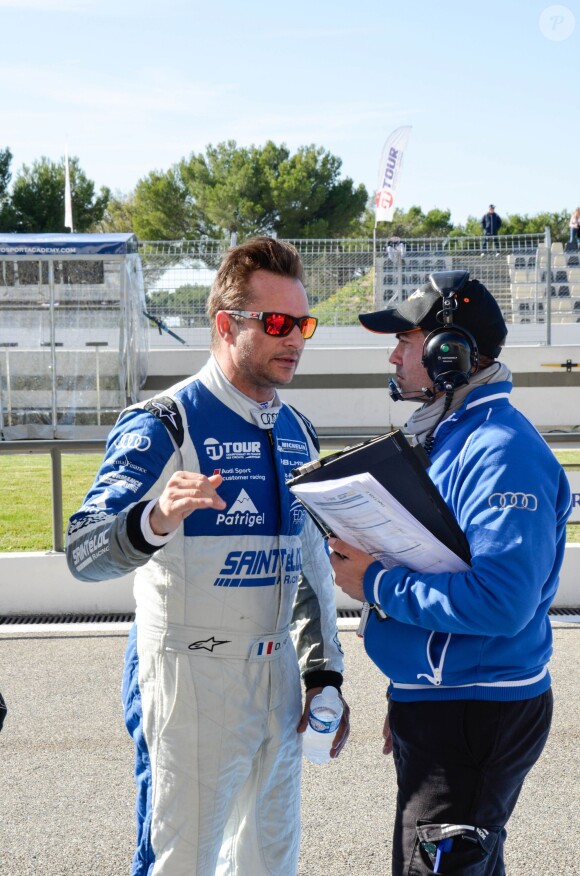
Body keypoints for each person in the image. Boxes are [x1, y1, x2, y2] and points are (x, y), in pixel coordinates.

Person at [66, 236, 349, 876]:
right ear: (226, 325)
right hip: (190, 678)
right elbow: (84, 550)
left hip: (278, 681)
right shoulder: (165, 421)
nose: (294, 339)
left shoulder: (298, 431)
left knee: (269, 866)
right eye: (275, 323)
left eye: (302, 324)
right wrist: (154, 519)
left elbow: (308, 570)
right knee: (180, 864)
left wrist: (323, 676)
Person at [329, 270, 571, 876]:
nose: (393, 357)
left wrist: (375, 584)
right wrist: (411, 688)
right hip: (448, 703)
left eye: (404, 342)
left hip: (474, 711)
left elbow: (503, 602)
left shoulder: (499, 451)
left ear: (448, 353)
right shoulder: (454, 435)